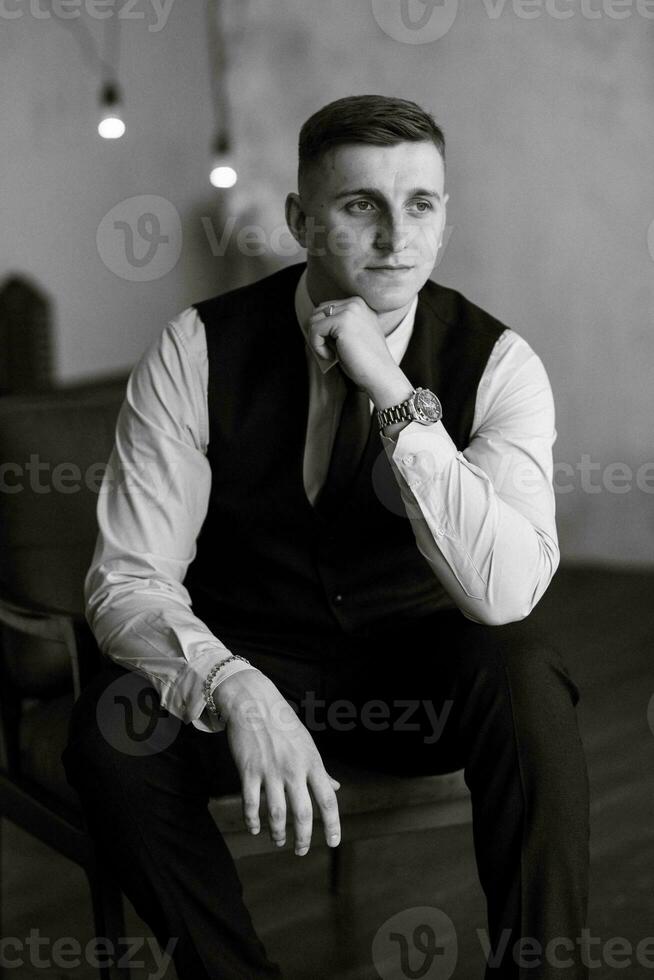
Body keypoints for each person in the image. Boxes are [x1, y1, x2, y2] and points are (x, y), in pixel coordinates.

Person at [62, 95, 590, 979]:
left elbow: (502, 594)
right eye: (359, 206)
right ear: (299, 220)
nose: (396, 236)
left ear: (446, 217)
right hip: (247, 656)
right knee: (111, 735)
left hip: (414, 672)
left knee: (527, 674)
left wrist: (390, 389)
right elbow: (127, 581)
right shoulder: (196, 349)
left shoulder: (500, 364)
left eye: (420, 204)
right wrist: (236, 686)